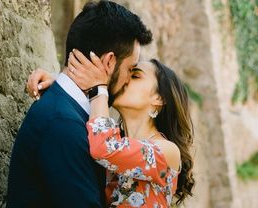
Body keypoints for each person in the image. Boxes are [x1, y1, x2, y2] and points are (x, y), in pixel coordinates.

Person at [5, 0, 153, 207]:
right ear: (109, 62)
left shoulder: (67, 109)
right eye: (130, 69)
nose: (129, 80)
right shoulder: (63, 124)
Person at [66, 49, 196, 207]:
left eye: (135, 75)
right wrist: (60, 87)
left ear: (159, 98)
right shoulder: (109, 135)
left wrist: (98, 88)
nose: (125, 79)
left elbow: (105, 148)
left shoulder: (168, 151)